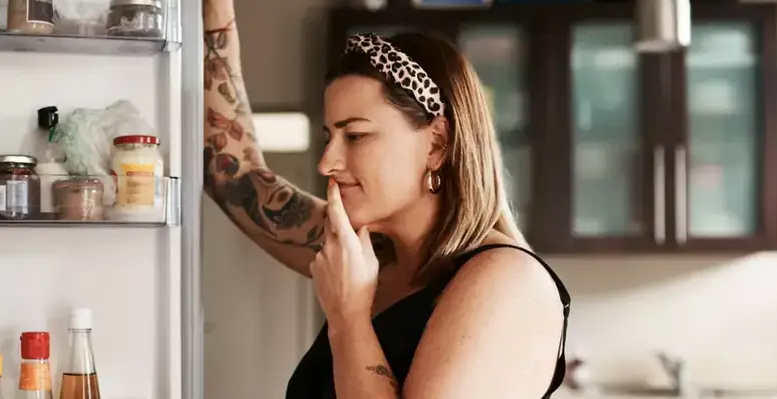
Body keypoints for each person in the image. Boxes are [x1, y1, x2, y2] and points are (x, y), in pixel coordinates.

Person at [201, 1, 571, 397]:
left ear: (437, 143)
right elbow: (235, 175)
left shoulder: (507, 282)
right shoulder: (369, 253)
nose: (327, 163)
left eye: (355, 136)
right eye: (329, 137)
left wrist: (349, 316)